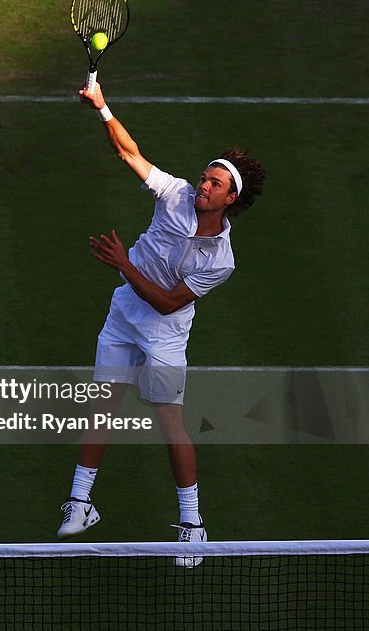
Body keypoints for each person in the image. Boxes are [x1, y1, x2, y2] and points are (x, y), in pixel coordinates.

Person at [56, 81, 266, 567]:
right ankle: (80, 503)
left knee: (169, 422)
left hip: (164, 332)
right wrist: (103, 106)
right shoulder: (175, 193)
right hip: (124, 314)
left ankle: (192, 525)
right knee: (101, 407)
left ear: (230, 198)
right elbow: (131, 154)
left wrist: (125, 264)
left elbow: (171, 303)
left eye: (214, 184)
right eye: (204, 177)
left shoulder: (222, 259)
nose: (203, 185)